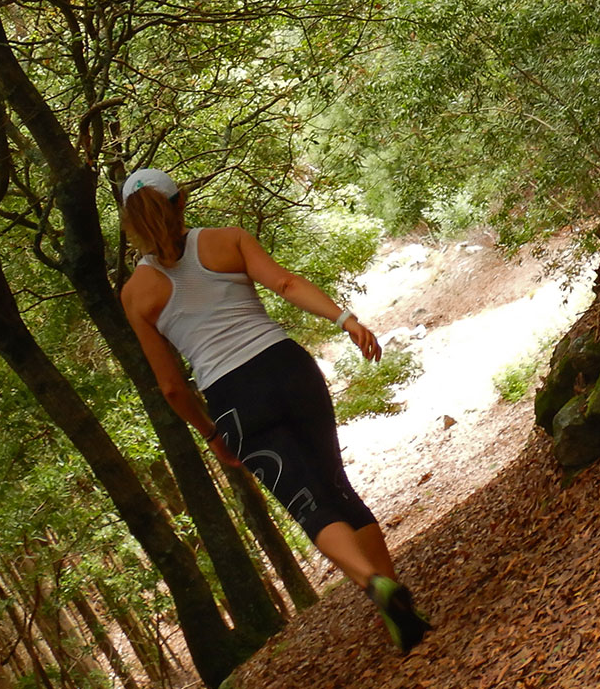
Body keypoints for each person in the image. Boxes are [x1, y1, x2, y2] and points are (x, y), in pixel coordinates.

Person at [116, 168, 431, 653]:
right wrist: (345, 319)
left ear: (130, 223)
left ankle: (375, 584)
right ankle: (402, 612)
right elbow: (284, 283)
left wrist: (211, 432)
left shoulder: (136, 295)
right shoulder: (228, 240)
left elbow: (172, 387)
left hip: (234, 400)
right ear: (180, 202)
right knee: (337, 486)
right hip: (288, 368)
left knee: (310, 504)